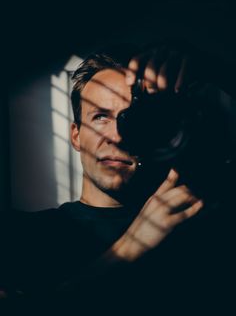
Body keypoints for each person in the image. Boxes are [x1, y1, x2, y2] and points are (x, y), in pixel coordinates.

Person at [0, 40, 234, 315]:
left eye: (133, 119)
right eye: (100, 117)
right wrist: (128, 249)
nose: (118, 136)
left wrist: (212, 68)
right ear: (76, 135)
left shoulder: (205, 224)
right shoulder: (22, 236)